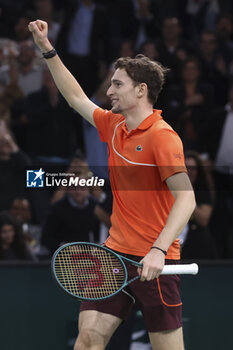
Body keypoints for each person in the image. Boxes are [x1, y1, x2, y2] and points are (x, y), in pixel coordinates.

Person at [28, 20, 196, 350]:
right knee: (88, 341)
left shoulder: (163, 138)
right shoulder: (113, 126)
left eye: (117, 84)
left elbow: (186, 199)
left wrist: (159, 251)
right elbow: (75, 96)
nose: (109, 91)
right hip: (114, 258)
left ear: (140, 90)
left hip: (154, 262)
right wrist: (47, 49)